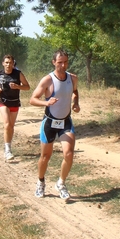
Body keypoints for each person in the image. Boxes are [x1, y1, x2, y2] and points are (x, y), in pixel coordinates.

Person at [29, 49, 80, 200]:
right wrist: (46, 102)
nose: (63, 65)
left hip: (65, 122)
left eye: (65, 62)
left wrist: (76, 103)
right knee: (45, 156)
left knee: (69, 154)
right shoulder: (47, 80)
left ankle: (61, 184)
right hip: (50, 123)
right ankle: (40, 182)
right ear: (53, 62)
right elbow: (32, 99)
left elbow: (75, 92)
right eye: (59, 62)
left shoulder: (73, 78)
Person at [0, 55, 30, 161]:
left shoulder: (18, 74)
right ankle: (7, 150)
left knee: (11, 127)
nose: (9, 65)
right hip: (3, 102)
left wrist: (18, 86)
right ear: (3, 63)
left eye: (11, 63)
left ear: (13, 64)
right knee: (7, 124)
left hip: (14, 102)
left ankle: (8, 146)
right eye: (7, 62)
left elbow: (27, 87)